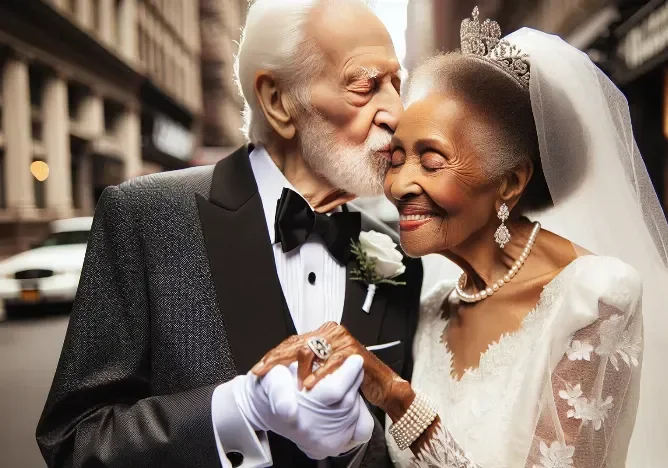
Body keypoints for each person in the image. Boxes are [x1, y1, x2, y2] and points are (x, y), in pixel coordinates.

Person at [254, 9, 668, 468]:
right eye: (396, 159)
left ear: (510, 182)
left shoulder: (596, 297)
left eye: (433, 161)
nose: (398, 186)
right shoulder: (431, 306)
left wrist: (397, 396)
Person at [35, 1, 422, 467]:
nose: (396, 114)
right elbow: (74, 441)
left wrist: (363, 442)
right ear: (278, 101)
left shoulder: (401, 252)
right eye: (366, 85)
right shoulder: (145, 216)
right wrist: (238, 410)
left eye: (397, 85)